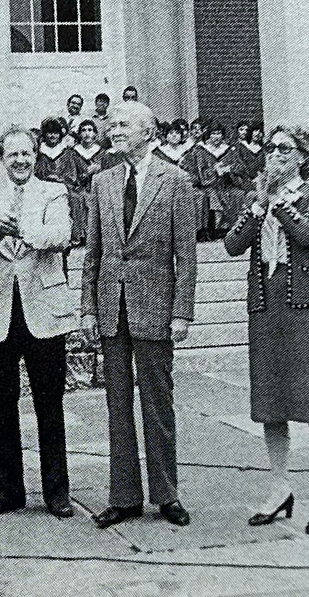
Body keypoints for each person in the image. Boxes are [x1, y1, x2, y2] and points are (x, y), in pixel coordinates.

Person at [82, 101, 196, 529]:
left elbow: (186, 256)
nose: (113, 131)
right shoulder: (104, 182)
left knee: (158, 402)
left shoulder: (176, 180)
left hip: (156, 308)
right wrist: (88, 308)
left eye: (123, 125)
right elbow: (93, 252)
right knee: (116, 405)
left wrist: (181, 312)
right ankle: (124, 497)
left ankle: (167, 494)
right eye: (111, 125)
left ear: (149, 132)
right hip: (113, 308)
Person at [224, 125, 309, 534]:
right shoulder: (259, 195)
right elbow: (232, 245)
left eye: (284, 149)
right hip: (265, 304)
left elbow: (308, 233)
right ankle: (279, 486)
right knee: (271, 402)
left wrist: (276, 200)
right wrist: (258, 205)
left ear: (303, 156)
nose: (275, 154)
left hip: (305, 306)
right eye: (271, 148)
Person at [0, 125, 77, 519]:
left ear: (36, 155)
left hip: (44, 311)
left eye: (27, 153)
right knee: (2, 405)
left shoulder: (52, 190)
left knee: (50, 404)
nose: (21, 161)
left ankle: (57, 493)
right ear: (2, 158)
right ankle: (7, 492)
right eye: (13, 155)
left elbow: (63, 234)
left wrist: (24, 229)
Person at [58, 119, 105, 246]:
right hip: (78, 187)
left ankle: (95, 237)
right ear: (79, 134)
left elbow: (107, 172)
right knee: (76, 198)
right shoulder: (73, 152)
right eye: (83, 130)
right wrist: (84, 175)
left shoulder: (101, 152)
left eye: (90, 130)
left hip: (97, 187)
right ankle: (78, 237)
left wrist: (98, 168)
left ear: (95, 133)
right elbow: (70, 174)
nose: (87, 133)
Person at [34, 116, 70, 183]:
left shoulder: (66, 152)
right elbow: (36, 173)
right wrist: (48, 177)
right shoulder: (39, 152)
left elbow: (71, 174)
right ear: (45, 134)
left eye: (56, 133)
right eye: (50, 133)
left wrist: (61, 178)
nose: (53, 136)